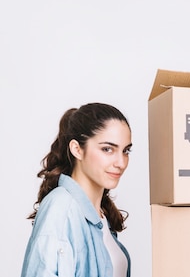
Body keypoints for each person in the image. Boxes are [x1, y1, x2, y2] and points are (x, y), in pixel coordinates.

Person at [21, 103, 133, 277]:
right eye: (107, 149)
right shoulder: (62, 207)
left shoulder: (100, 215)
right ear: (77, 149)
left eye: (126, 151)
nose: (121, 162)